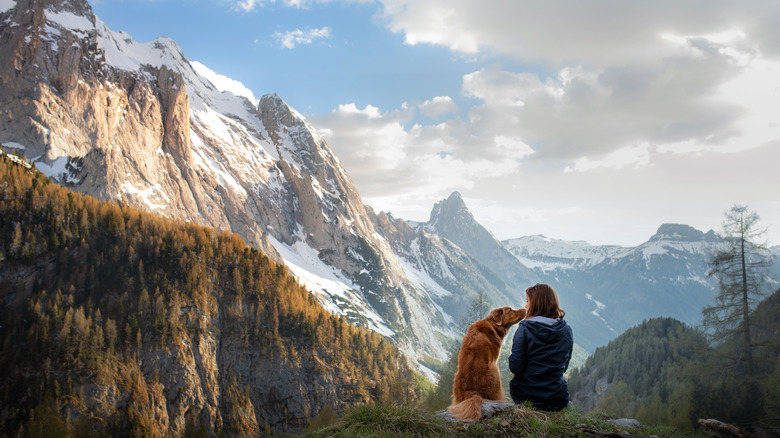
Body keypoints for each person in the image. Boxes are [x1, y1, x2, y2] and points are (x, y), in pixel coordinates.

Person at [508, 283, 573, 411]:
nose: (526, 306)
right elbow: (564, 366)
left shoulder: (525, 329)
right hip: (557, 398)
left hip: (526, 396)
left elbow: (515, 367)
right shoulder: (566, 330)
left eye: (528, 301)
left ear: (537, 303)